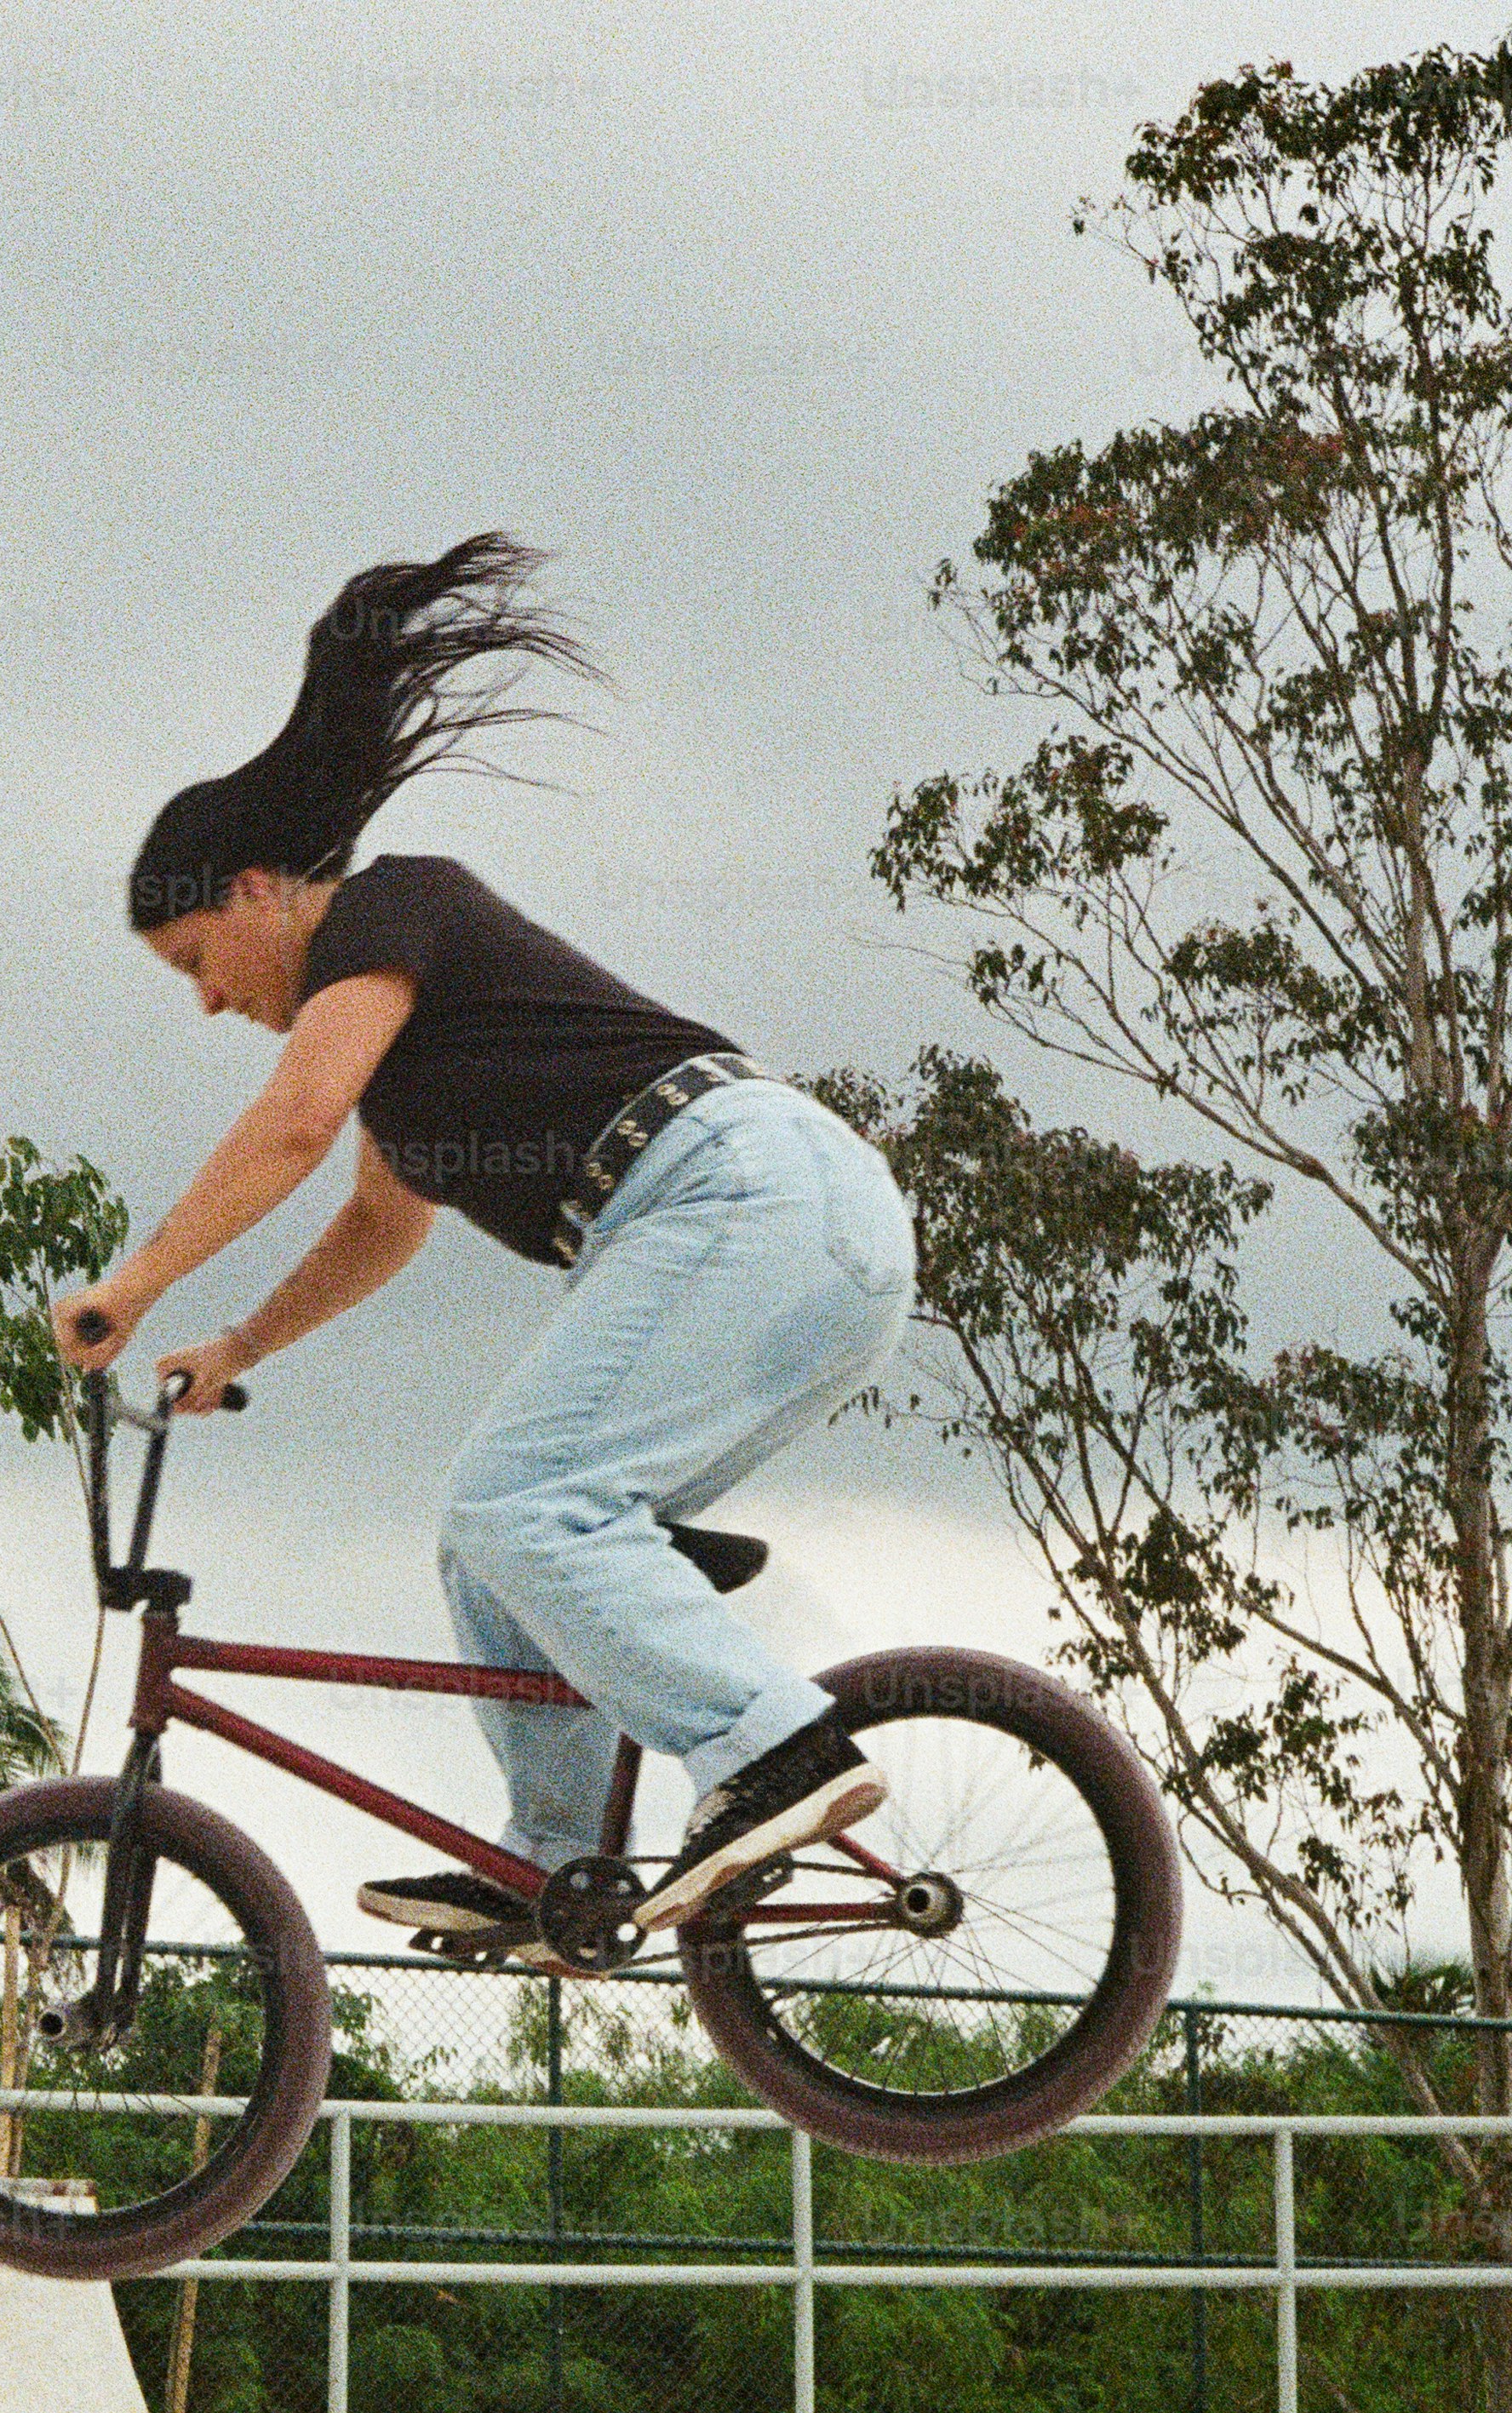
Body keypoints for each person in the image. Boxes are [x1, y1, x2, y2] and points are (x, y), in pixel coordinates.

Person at [54, 531, 916, 1972]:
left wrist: (135, 1287)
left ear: (260, 890)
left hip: (744, 1198)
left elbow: (292, 1126)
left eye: (198, 962)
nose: (207, 1003)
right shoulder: (402, 1041)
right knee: (491, 1539)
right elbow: (377, 1220)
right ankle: (554, 1862)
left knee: (524, 1499)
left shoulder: (396, 907)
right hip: (779, 1246)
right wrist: (241, 1343)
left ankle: (772, 1747)